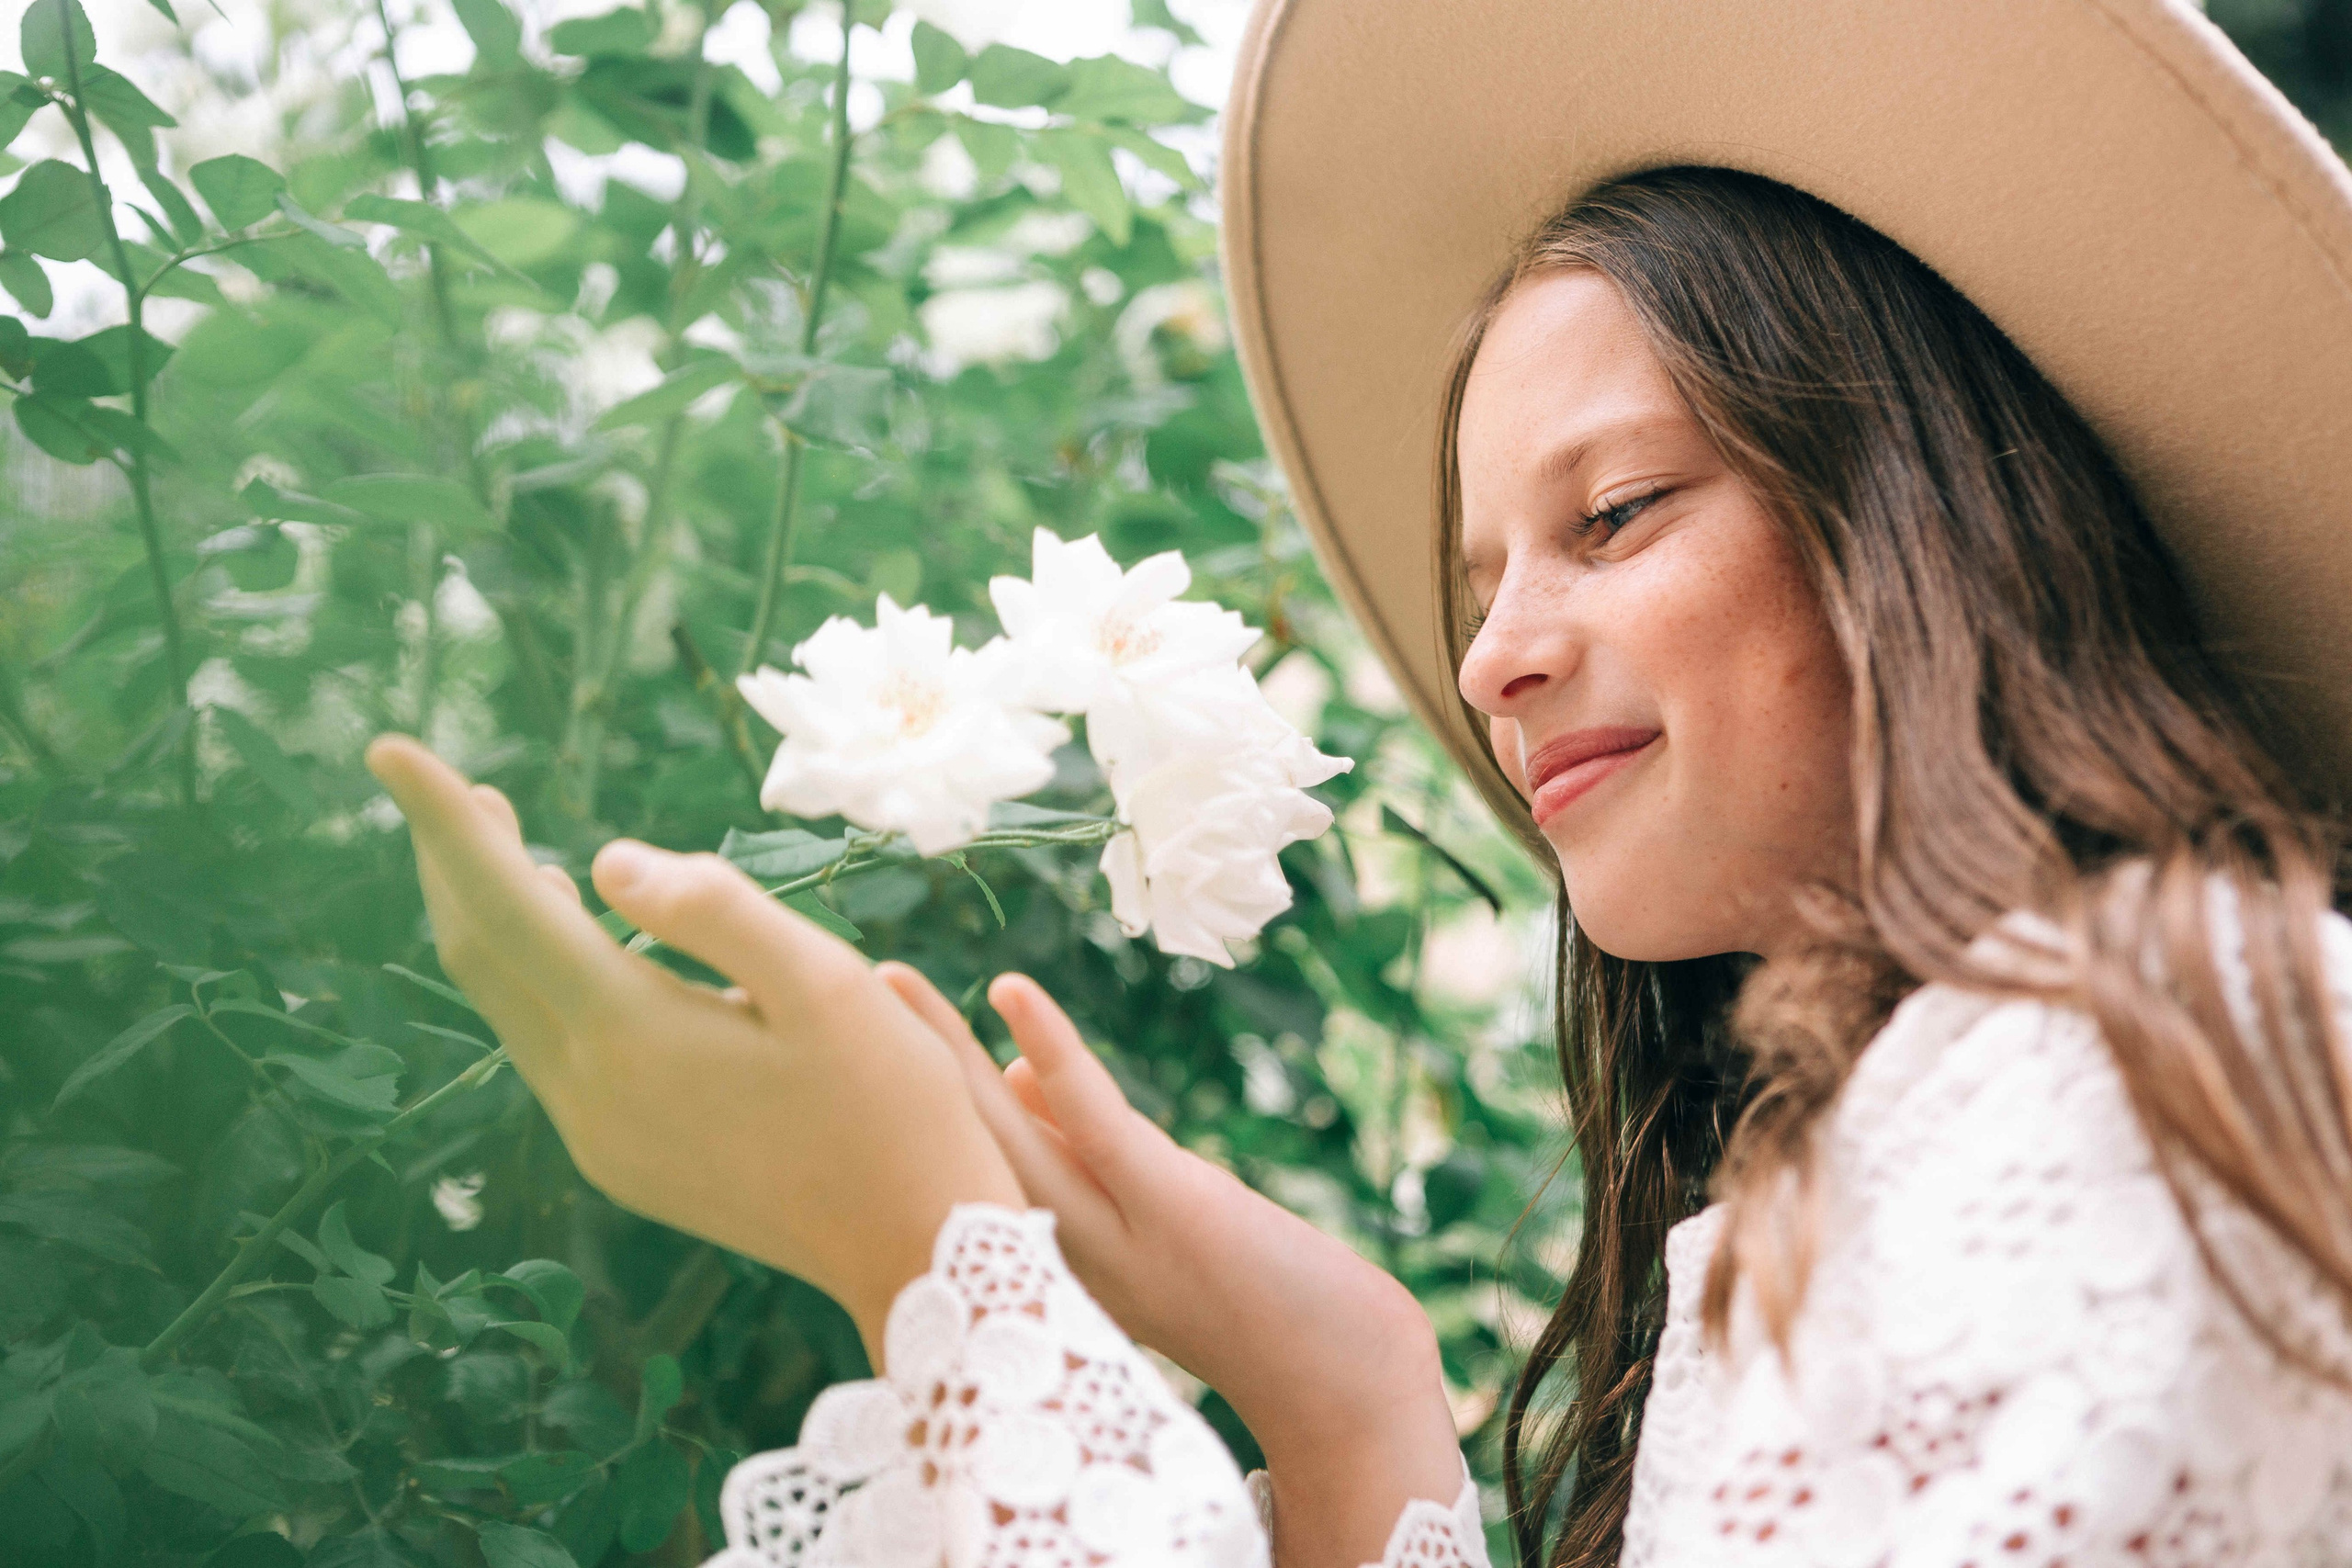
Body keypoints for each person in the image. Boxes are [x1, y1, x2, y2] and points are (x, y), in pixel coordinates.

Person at [364, 3, 2352, 1565]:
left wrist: (937, 1258)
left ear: (1920, 521)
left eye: (1616, 512)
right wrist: (1348, 1406)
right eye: (1480, 580)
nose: (1489, 658)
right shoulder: (1895, 1139)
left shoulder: (2157, 1055)